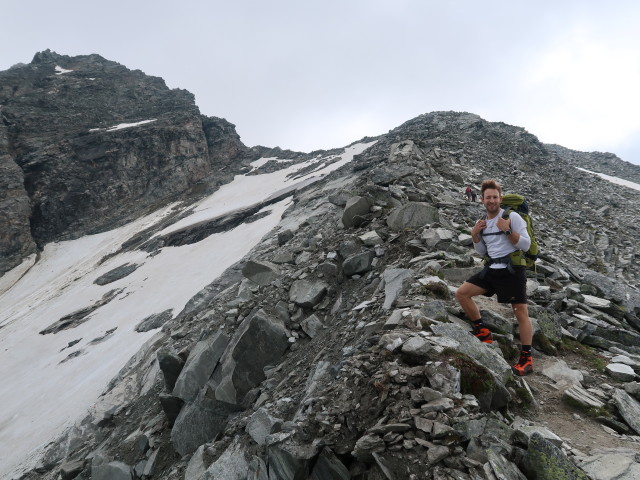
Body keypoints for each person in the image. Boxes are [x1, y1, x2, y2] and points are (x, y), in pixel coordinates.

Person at [454, 179, 534, 376]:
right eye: (488, 197)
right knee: (462, 294)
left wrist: (507, 229)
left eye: (495, 197)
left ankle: (527, 359)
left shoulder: (512, 217)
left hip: (512, 269)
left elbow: (525, 245)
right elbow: (482, 251)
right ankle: (483, 332)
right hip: (492, 269)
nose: (492, 200)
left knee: (520, 312)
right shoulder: (481, 222)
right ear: (482, 200)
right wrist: (475, 235)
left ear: (501, 198)